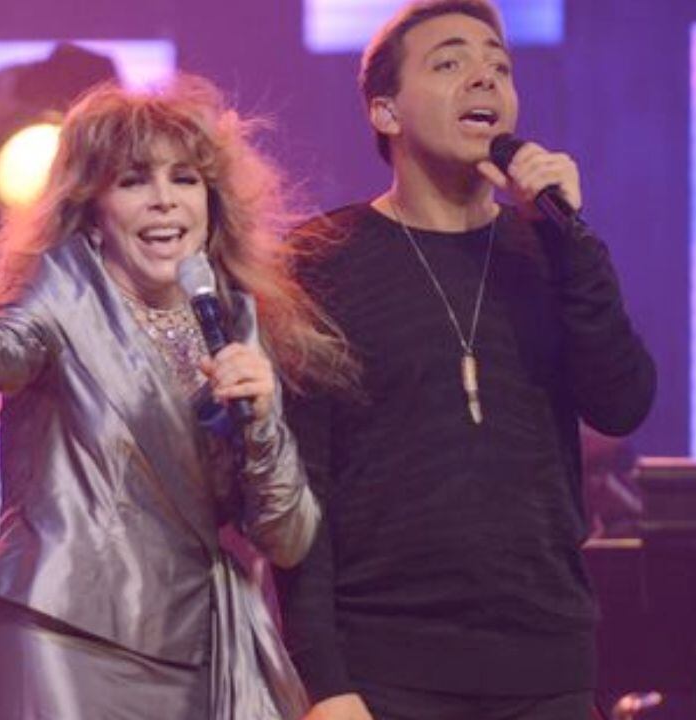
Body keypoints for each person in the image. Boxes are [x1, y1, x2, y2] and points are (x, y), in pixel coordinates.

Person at [0, 75, 351, 719]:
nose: (164, 200)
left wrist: (265, 419)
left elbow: (288, 536)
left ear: (212, 203)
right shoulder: (64, 290)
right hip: (60, 630)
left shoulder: (237, 324)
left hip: (195, 647)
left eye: (184, 179)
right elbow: (5, 349)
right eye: (133, 181)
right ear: (94, 211)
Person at [275, 1, 657, 718]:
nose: (484, 78)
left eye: (499, 67)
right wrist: (322, 679)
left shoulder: (551, 251)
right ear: (385, 111)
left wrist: (570, 240)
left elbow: (622, 402)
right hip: (385, 668)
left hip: (546, 666)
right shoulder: (323, 260)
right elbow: (300, 486)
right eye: (449, 62)